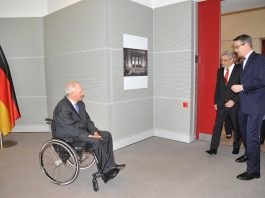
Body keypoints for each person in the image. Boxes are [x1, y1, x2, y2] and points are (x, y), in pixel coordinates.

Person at [53, 80, 125, 183]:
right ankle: (105, 171)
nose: (83, 93)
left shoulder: (80, 104)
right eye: (80, 91)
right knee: (96, 141)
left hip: (81, 131)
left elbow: (87, 121)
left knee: (107, 135)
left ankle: (111, 165)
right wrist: (89, 136)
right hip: (69, 137)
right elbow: (71, 130)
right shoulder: (62, 108)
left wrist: (94, 131)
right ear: (72, 93)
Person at [231, 34, 265, 180]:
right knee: (244, 135)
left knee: (252, 138)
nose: (235, 49)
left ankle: (254, 171)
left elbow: (262, 80)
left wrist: (242, 87)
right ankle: (248, 154)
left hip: (255, 106)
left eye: (237, 46)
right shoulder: (242, 62)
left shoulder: (260, 59)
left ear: (245, 45)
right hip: (243, 105)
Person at [206, 51, 241, 155]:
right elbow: (218, 88)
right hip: (221, 104)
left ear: (232, 60)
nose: (222, 62)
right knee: (217, 125)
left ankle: (236, 146)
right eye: (221, 60)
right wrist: (215, 102)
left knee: (236, 126)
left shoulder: (240, 69)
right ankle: (213, 148)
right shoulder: (220, 70)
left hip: (234, 104)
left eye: (225, 60)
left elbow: (243, 88)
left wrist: (234, 100)